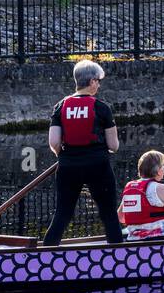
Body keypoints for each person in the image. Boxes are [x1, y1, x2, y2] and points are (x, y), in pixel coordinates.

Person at [43, 59, 123, 246]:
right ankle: (120, 257)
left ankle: (44, 257)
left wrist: (64, 156)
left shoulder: (60, 106)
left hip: (68, 166)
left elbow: (54, 142)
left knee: (62, 214)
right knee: (109, 214)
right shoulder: (102, 108)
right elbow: (113, 145)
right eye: (99, 81)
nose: (99, 85)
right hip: (98, 166)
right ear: (93, 81)